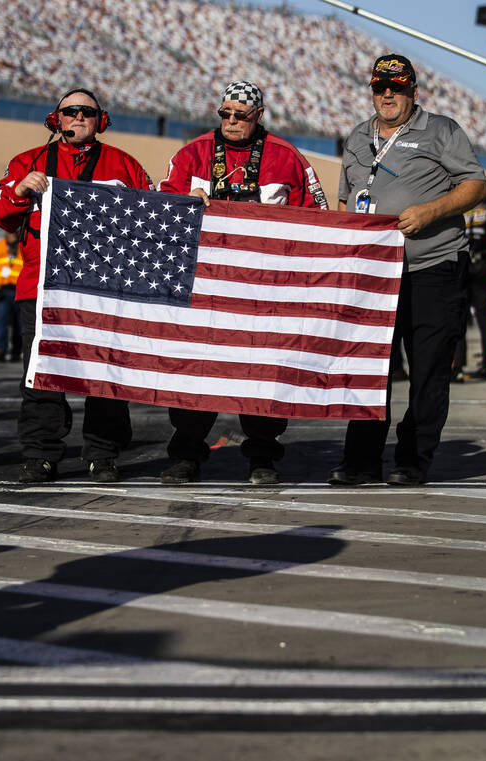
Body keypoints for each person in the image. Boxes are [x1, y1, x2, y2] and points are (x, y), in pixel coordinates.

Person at [157, 80, 329, 486]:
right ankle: (185, 454)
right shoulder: (192, 153)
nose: (232, 122)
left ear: (259, 116)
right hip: (205, 287)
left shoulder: (287, 157)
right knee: (195, 372)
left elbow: (318, 217)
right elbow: (160, 208)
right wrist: (185, 207)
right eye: (226, 114)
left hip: (266, 291)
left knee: (263, 373)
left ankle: (263, 457)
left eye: (241, 115)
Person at [328, 54, 486, 487]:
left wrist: (432, 211)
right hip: (374, 274)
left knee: (428, 369)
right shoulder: (359, 137)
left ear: (414, 91)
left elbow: (476, 185)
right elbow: (346, 202)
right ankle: (361, 460)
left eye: (396, 87)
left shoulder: (441, 129)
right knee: (368, 368)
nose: (387, 94)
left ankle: (413, 459)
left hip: (432, 265)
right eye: (380, 87)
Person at [0, 87, 153, 483]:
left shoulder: (124, 165)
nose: (78, 118)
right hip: (41, 288)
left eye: (87, 112)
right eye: (70, 111)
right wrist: (20, 190)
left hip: (106, 289)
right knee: (40, 375)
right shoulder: (27, 162)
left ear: (101, 121)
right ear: (55, 120)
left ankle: (103, 454)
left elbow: (152, 218)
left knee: (106, 376)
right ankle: (41, 454)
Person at [456, 173, 486, 383]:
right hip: (463, 262)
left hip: (481, 265)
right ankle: (457, 366)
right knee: (460, 317)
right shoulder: (457, 204)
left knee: (484, 318)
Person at [0, 230, 24, 361]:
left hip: (19, 290)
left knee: (19, 324)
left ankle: (16, 350)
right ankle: (0, 348)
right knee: (1, 321)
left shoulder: (23, 245)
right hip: (3, 291)